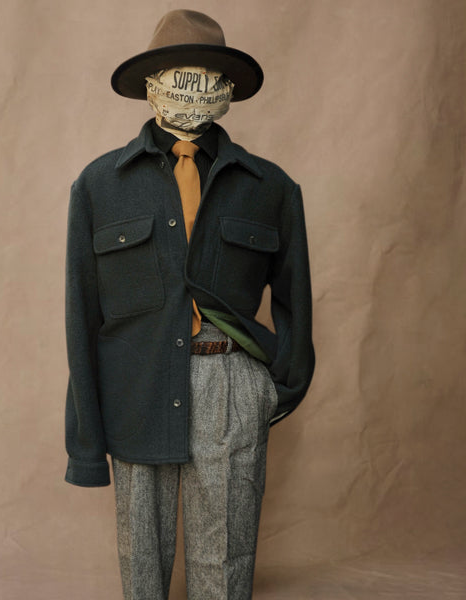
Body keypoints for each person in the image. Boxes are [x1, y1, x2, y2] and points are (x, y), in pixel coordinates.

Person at [64, 9, 315, 599]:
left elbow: (296, 299)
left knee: (224, 558)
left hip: (230, 379)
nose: (190, 87)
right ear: (150, 86)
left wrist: (273, 390)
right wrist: (86, 439)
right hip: (135, 384)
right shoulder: (99, 186)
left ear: (226, 90)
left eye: (205, 75)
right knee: (142, 563)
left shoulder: (271, 188)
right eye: (178, 74)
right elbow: (82, 313)